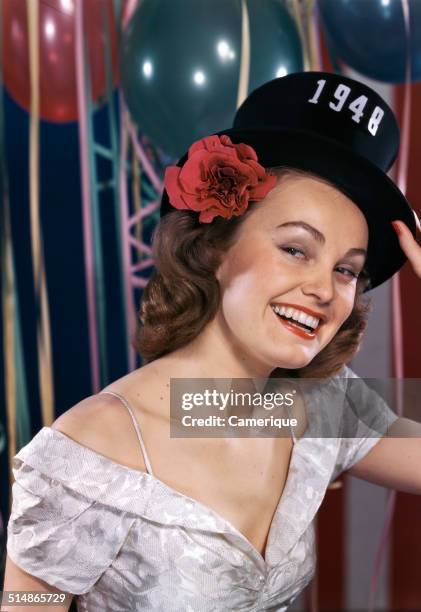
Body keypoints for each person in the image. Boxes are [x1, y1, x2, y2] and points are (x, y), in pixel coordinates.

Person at [3, 71, 421, 612]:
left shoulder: (322, 406)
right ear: (216, 249)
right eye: (296, 249)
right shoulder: (89, 451)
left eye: (346, 270)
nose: (323, 289)